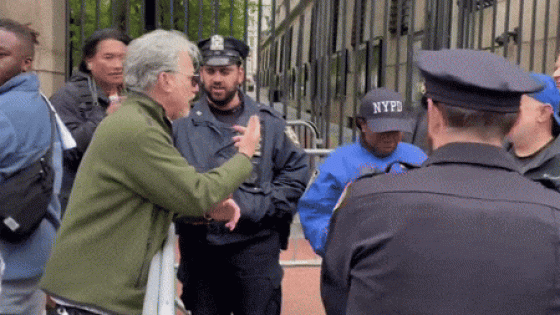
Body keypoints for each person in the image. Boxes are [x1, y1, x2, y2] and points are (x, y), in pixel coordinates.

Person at [321, 49, 560, 315]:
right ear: (514, 121)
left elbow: (338, 299)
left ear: (433, 116)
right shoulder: (553, 212)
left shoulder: (366, 203)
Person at [40, 29, 262, 315]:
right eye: (192, 79)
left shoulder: (141, 120)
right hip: (95, 294)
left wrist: (207, 211)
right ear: (165, 80)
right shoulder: (138, 128)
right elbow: (196, 192)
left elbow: (161, 197)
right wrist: (245, 155)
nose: (197, 88)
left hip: (97, 289)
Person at [173, 34, 310, 315]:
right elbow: (166, 182)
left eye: (225, 71)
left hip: (255, 249)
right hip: (201, 251)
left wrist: (254, 207)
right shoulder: (181, 125)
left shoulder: (269, 123)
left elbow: (296, 173)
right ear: (200, 74)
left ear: (240, 74)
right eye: (210, 71)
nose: (217, 79)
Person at [297, 87, 427, 257]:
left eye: (395, 130)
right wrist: (338, 250)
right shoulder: (337, 163)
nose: (389, 137)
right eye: (382, 130)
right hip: (356, 261)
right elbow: (314, 214)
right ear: (362, 124)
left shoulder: (418, 158)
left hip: (408, 259)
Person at [0, 19, 65, 315]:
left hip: (7, 264)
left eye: (1, 54)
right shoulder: (41, 102)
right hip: (34, 255)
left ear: (26, 63)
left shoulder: (6, 111)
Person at [50, 28, 130, 213]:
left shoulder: (132, 94)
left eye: (123, 58)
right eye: (109, 57)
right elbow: (66, 149)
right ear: (89, 61)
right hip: (78, 201)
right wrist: (105, 117)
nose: (118, 65)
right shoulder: (68, 95)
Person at [507, 73, 560, 191]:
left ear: (543, 113)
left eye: (516, 109)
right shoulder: (493, 152)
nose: (507, 115)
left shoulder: (556, 170)